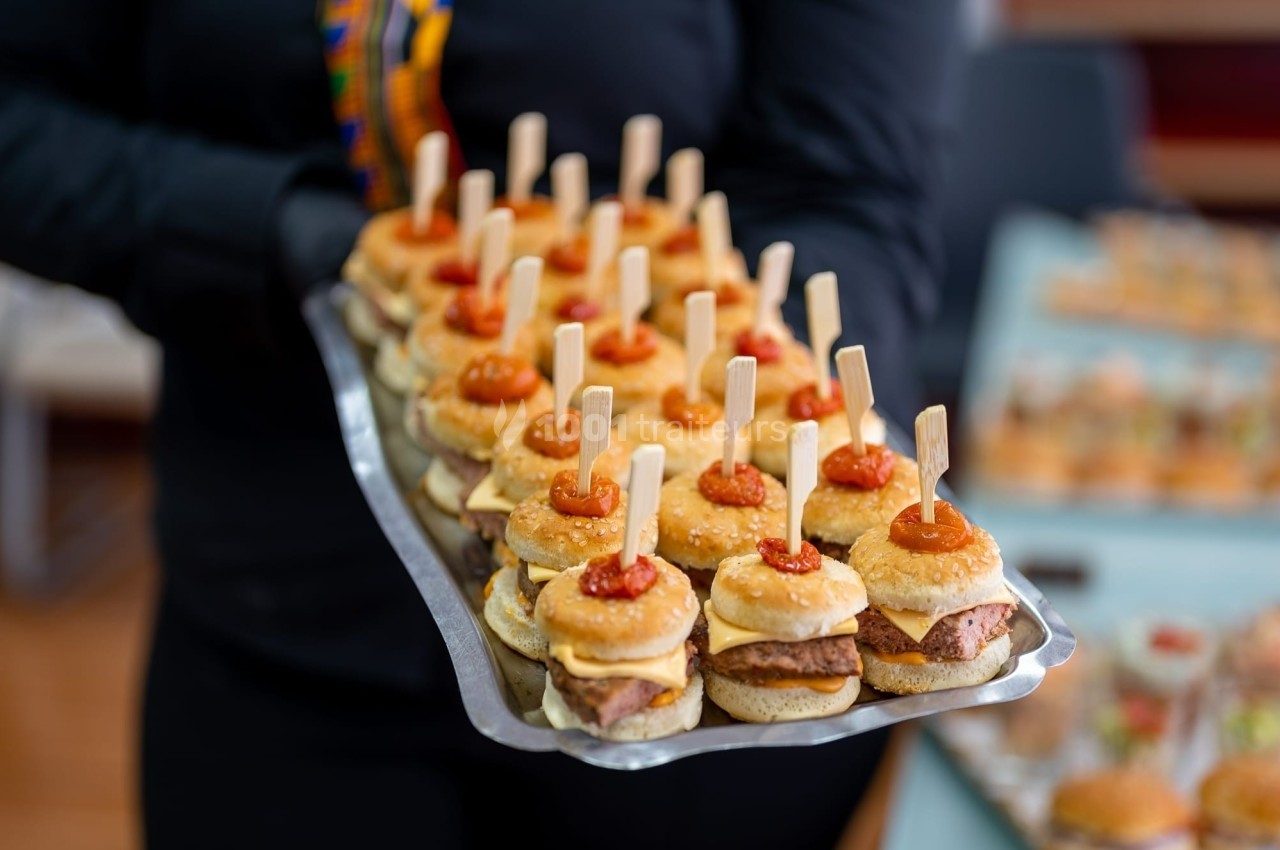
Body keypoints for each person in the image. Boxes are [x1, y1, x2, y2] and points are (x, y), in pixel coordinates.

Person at [0, 2, 960, 847]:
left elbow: (850, 179)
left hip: (697, 735)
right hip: (274, 607)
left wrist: (783, 379)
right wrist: (276, 230)